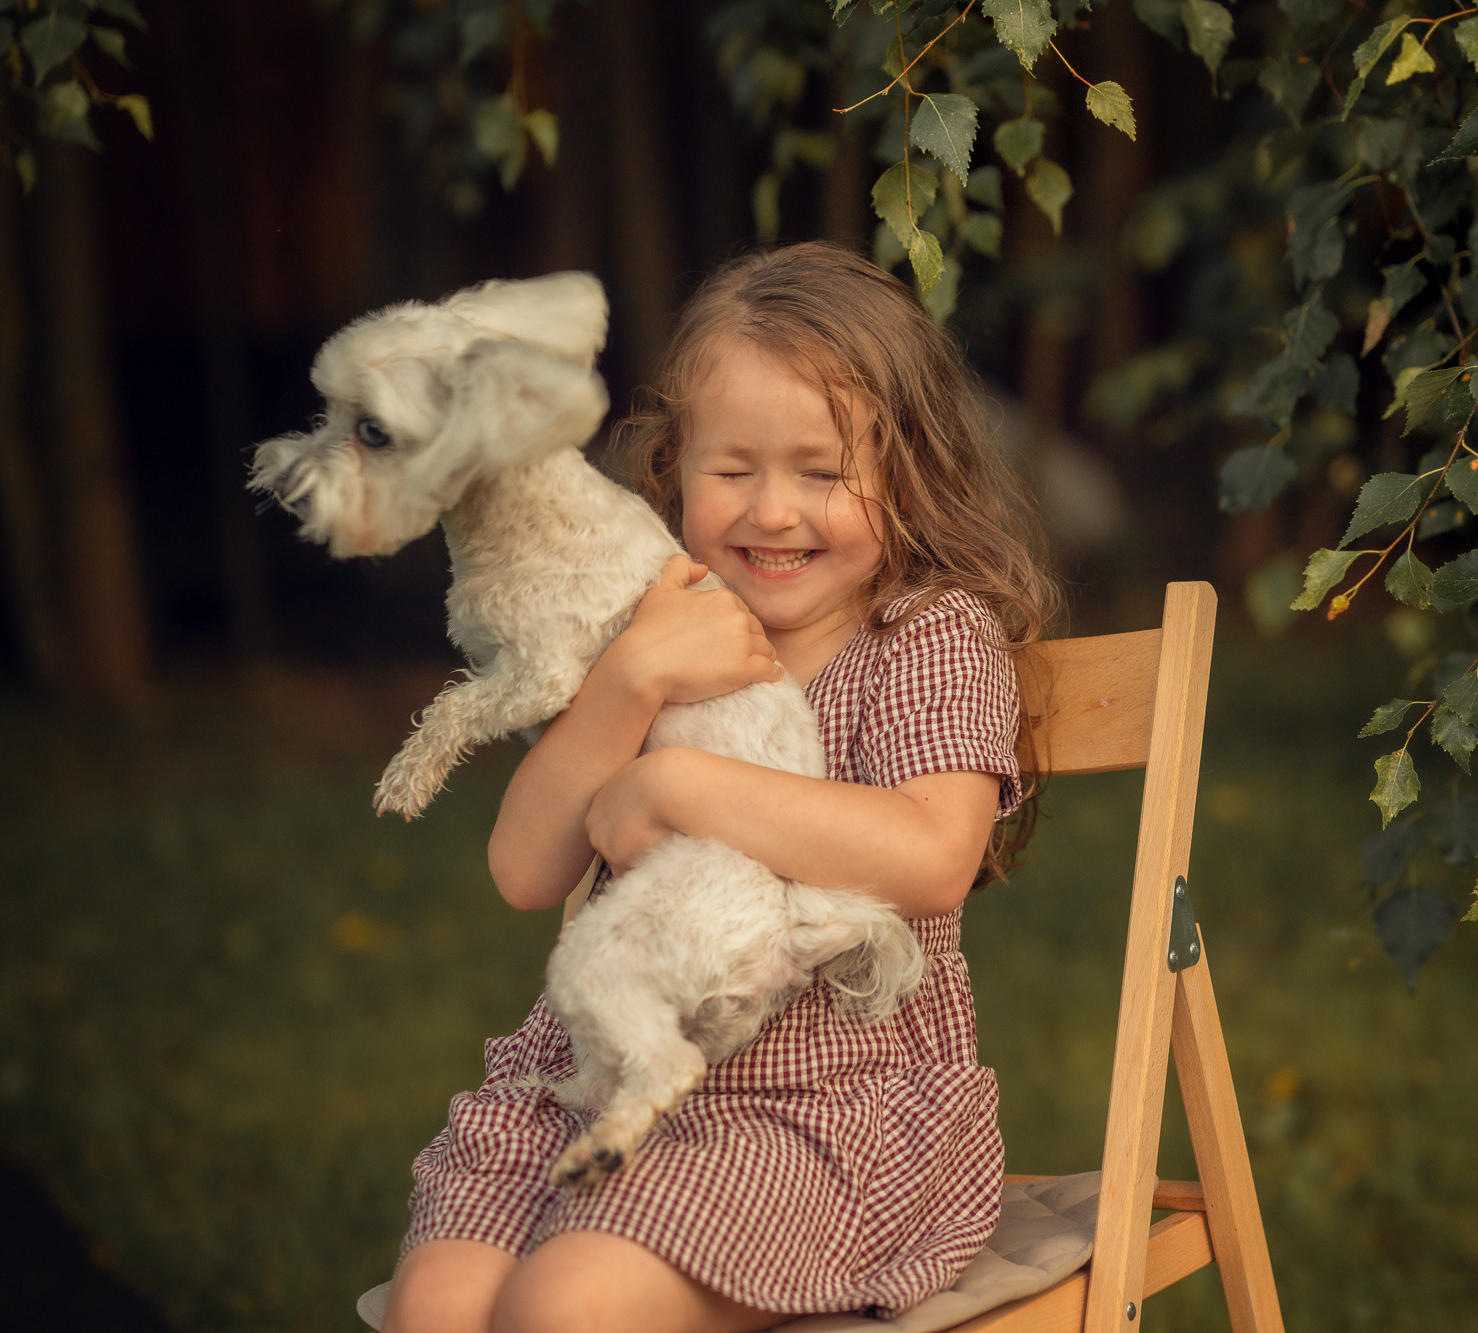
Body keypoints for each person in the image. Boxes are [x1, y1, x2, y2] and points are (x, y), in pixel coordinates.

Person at [382, 242, 1058, 1333]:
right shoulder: (654, 625)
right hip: (596, 1085)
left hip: (825, 1117)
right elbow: (521, 870)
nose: (771, 512)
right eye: (731, 470)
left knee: (564, 1309)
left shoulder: (924, 637)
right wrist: (634, 675)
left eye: (821, 471)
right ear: (674, 467)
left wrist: (678, 784)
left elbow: (932, 857)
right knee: (443, 1308)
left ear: (908, 470)